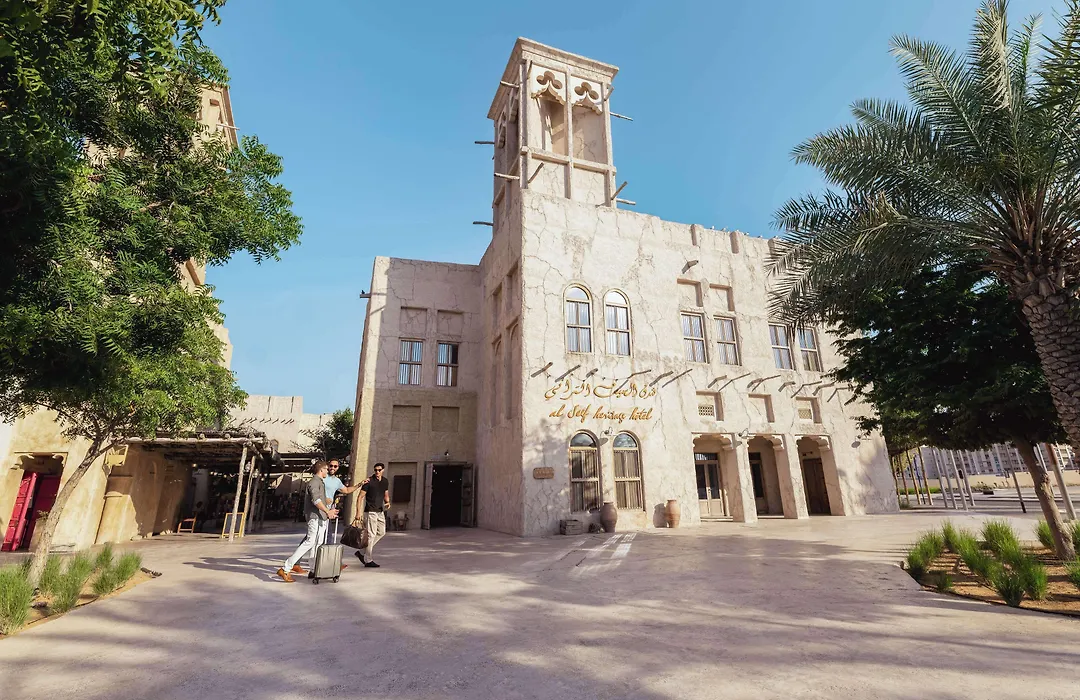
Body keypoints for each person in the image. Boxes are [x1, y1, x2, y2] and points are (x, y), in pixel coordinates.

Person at [277, 461, 338, 583]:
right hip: (315, 517)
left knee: (317, 543)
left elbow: (319, 499)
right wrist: (327, 511)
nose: (328, 471)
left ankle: (314, 570)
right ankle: (286, 568)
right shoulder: (314, 482)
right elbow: (316, 500)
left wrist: (328, 507)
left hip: (320, 517)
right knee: (310, 542)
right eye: (326, 469)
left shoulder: (320, 482)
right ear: (321, 470)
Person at [355, 462, 390, 568]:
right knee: (371, 535)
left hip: (380, 511)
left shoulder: (385, 481)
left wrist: (387, 502)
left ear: (383, 470)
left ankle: (361, 552)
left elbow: (386, 493)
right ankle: (368, 560)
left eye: (379, 470)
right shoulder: (369, 482)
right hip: (370, 511)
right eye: (375, 470)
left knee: (381, 532)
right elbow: (360, 497)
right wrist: (358, 512)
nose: (377, 472)